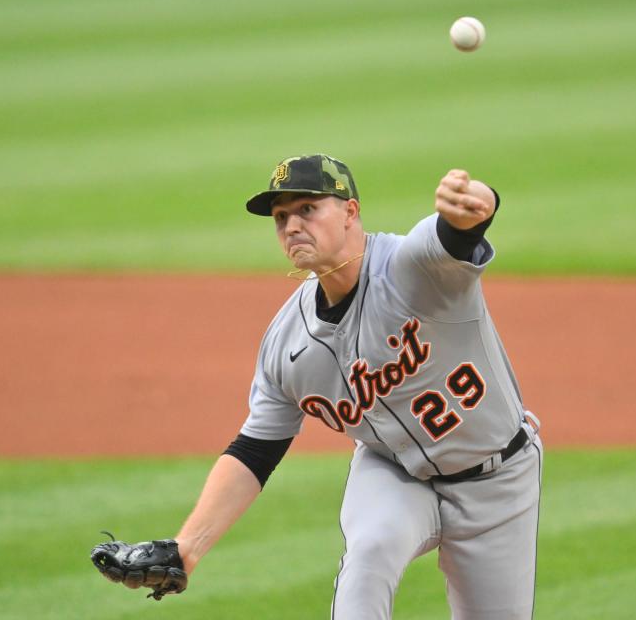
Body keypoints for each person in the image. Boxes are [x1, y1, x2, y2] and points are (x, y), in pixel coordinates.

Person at [145, 154, 541, 618]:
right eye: (280, 217)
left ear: (351, 212)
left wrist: (479, 203)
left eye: (307, 209)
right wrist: (184, 548)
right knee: (370, 551)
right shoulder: (286, 341)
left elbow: (458, 231)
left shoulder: (412, 267)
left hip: (498, 480)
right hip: (395, 475)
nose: (291, 225)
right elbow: (255, 449)